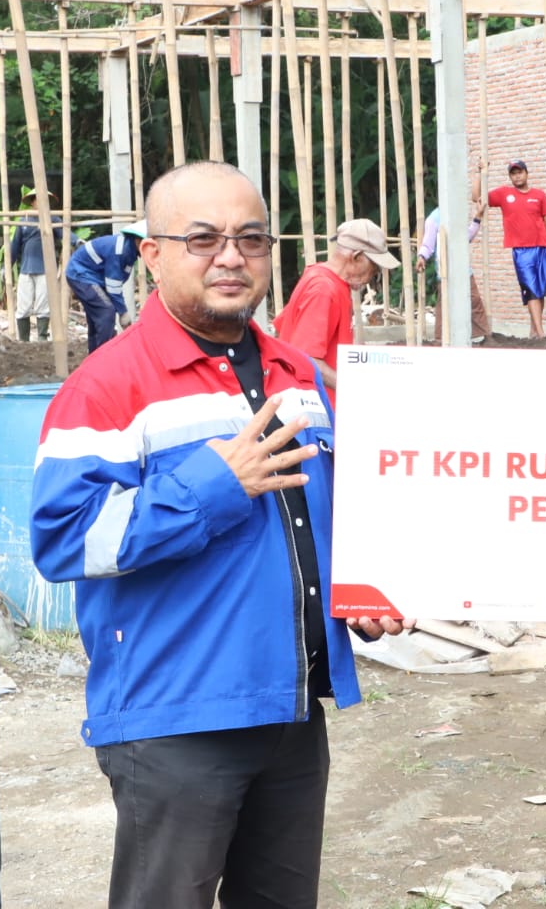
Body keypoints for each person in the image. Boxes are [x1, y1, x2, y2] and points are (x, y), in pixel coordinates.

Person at [28, 161, 410, 909]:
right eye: (202, 239)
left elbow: (333, 514)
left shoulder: (298, 375)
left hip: (291, 712)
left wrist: (365, 588)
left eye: (251, 238)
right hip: (177, 719)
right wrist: (210, 488)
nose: (230, 257)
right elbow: (63, 540)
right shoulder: (108, 387)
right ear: (153, 254)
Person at [272, 217, 398, 405]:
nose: (372, 276)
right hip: (312, 408)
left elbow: (281, 328)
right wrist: (355, 390)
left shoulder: (319, 277)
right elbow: (306, 359)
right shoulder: (324, 290)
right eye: (373, 268)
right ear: (357, 257)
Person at [484, 158, 546, 338]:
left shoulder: (539, 195)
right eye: (513, 174)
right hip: (522, 250)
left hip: (543, 246)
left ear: (526, 173)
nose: (517, 177)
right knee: (530, 288)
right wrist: (480, 172)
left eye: (520, 172)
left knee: (540, 289)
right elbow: (476, 197)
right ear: (510, 177)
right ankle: (541, 334)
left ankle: (534, 330)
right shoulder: (503, 194)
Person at [416, 183, 489, 343]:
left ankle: (482, 337)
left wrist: (477, 218)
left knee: (474, 300)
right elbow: (428, 244)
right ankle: (440, 339)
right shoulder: (434, 219)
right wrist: (422, 257)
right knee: (444, 304)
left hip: (464, 270)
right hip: (445, 271)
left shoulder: (457, 215)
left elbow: (467, 237)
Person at [66, 220, 147, 353]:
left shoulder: (129, 250)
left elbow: (119, 280)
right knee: (106, 311)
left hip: (92, 276)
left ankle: (94, 356)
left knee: (97, 317)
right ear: (138, 240)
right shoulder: (120, 251)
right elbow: (113, 286)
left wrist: (121, 310)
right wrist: (123, 312)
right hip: (80, 274)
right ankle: (103, 356)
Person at [9, 188, 68, 342]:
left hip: (46, 270)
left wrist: (76, 241)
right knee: (23, 306)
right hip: (26, 269)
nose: (40, 203)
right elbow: (14, 246)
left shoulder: (53, 220)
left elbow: (66, 235)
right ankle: (24, 340)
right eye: (37, 200)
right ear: (33, 202)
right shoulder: (24, 221)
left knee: (43, 306)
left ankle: (42, 337)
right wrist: (6, 266)